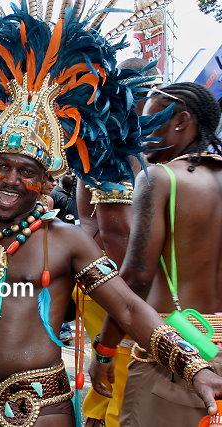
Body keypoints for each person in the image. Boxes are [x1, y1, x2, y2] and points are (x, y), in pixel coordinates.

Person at [0, 4, 222, 425]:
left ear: (45, 183)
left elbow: (128, 308)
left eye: (27, 172)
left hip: (41, 409)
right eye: (1, 166)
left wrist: (193, 366)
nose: (11, 179)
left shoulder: (65, 240)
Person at [90, 82, 222, 426]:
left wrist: (104, 350)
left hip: (174, 358)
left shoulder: (160, 179)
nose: (140, 132)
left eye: (149, 121)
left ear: (181, 121)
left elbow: (136, 278)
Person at [77, 57, 162, 427]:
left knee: (115, 375)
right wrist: (136, 296)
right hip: (114, 278)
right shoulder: (113, 146)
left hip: (112, 277)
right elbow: (113, 232)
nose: (158, 103)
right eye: (153, 93)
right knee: (123, 371)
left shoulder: (124, 141)